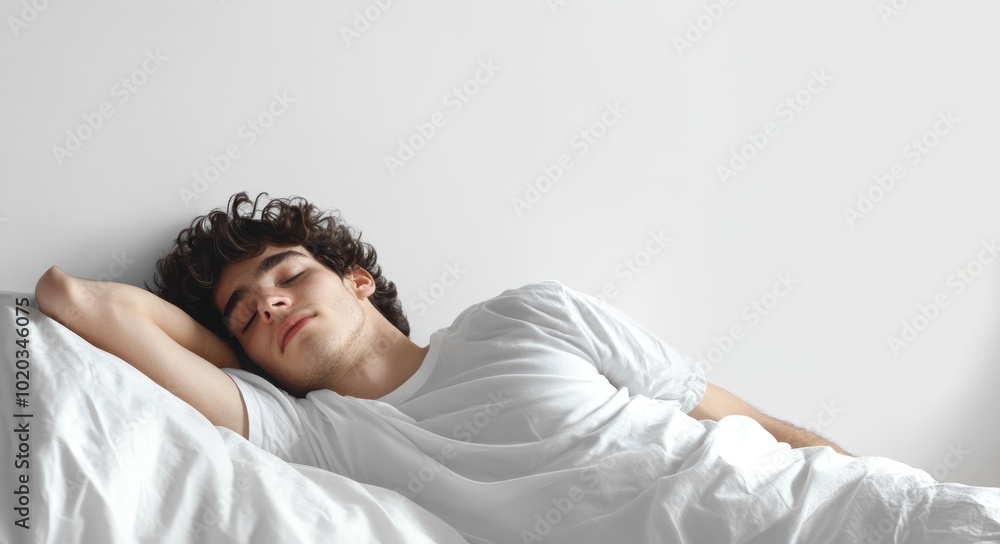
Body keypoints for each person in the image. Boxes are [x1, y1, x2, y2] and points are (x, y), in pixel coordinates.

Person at [35, 192, 998, 544]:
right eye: (245, 313)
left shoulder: (528, 312)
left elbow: (748, 417)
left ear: (359, 280)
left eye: (288, 278)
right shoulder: (312, 434)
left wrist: (885, 489)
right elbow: (75, 301)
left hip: (852, 516)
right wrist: (248, 358)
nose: (272, 305)